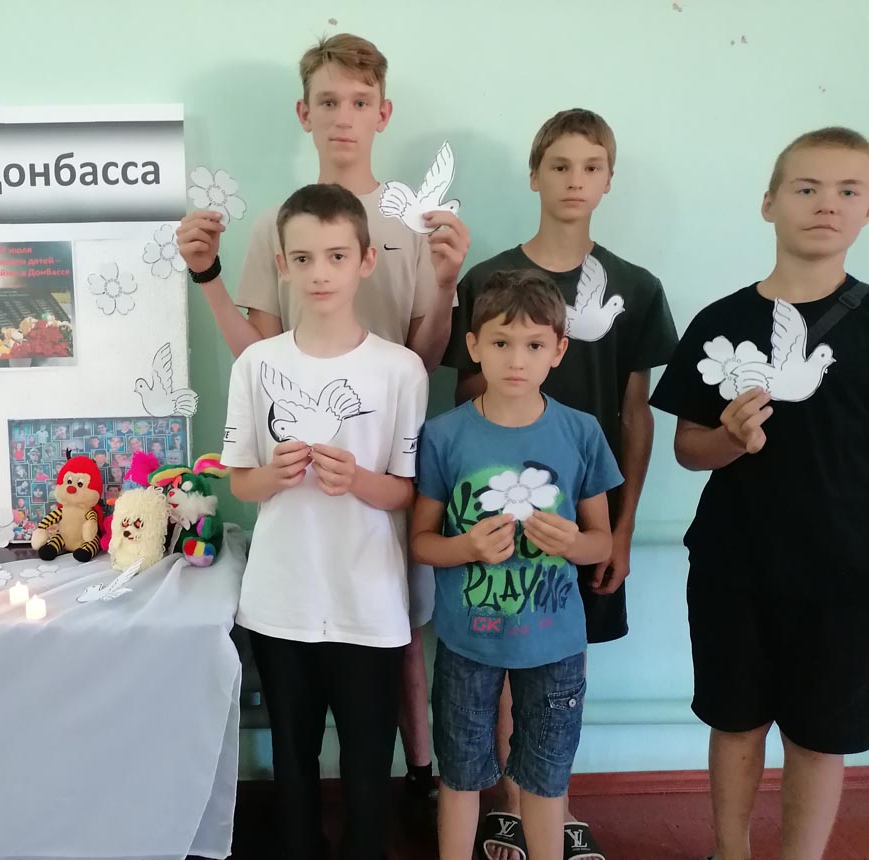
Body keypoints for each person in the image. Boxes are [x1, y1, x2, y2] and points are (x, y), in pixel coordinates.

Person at [179, 32, 471, 809]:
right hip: (301, 489)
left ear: (383, 113)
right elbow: (258, 356)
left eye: (359, 102)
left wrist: (446, 284)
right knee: (323, 654)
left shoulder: (412, 225)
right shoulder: (276, 225)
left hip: (382, 467)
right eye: (329, 102)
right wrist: (207, 277)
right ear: (303, 113)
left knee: (397, 626)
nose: (344, 117)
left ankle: (416, 780)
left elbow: (423, 359)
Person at [443, 108, 676, 858]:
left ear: (609, 180)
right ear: (534, 175)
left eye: (591, 166)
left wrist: (622, 529)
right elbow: (463, 404)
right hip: (494, 523)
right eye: (559, 165)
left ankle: (552, 806)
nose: (574, 180)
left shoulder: (636, 288)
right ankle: (508, 811)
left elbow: (635, 414)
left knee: (557, 661)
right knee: (493, 655)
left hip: (581, 520)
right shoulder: (487, 281)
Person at [649, 126, 869, 860]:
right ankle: (730, 850)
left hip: (845, 577)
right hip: (733, 568)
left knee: (820, 737)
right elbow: (687, 448)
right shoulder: (719, 322)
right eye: (806, 188)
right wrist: (730, 438)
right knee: (735, 722)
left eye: (848, 190)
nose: (826, 204)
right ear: (769, 202)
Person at [221, 184, 428, 859]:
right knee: (293, 763)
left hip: (369, 603)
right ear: (281, 265)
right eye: (304, 258)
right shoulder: (257, 364)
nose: (320, 273)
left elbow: (405, 492)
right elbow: (241, 481)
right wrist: (274, 476)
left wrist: (358, 480)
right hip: (280, 602)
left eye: (336, 256)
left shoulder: (400, 369)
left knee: (368, 769)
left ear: (365, 261)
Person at [416, 269, 622, 860]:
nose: (516, 359)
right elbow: (421, 541)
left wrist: (572, 542)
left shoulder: (580, 432)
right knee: (460, 774)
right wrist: (468, 548)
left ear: (558, 350)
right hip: (467, 641)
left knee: (546, 777)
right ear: (474, 345)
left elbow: (602, 543)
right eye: (501, 342)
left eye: (534, 345)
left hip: (556, 644)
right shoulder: (444, 435)